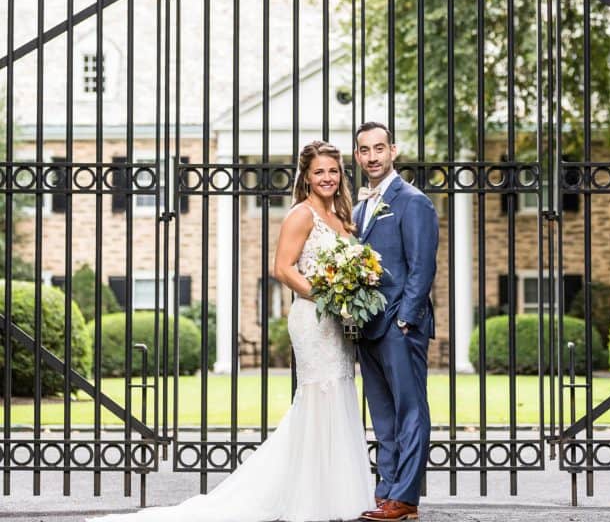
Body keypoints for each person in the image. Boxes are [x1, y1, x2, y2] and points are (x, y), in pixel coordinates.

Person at [87, 140, 375, 522]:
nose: (327, 178)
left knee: (339, 390)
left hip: (337, 324)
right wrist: (329, 297)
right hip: (313, 318)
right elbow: (283, 269)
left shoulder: (344, 216)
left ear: (341, 176)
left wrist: (349, 295)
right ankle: (310, 496)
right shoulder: (301, 215)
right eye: (319, 171)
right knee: (318, 394)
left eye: (333, 171)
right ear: (306, 177)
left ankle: (338, 492)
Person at [352, 122, 439, 522]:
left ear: (393, 151)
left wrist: (405, 319)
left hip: (401, 327)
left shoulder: (413, 201)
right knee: (383, 416)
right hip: (368, 326)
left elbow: (422, 267)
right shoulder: (358, 207)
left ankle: (406, 498)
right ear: (357, 155)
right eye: (364, 150)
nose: (372, 156)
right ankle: (386, 492)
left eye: (379, 148)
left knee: (410, 412)